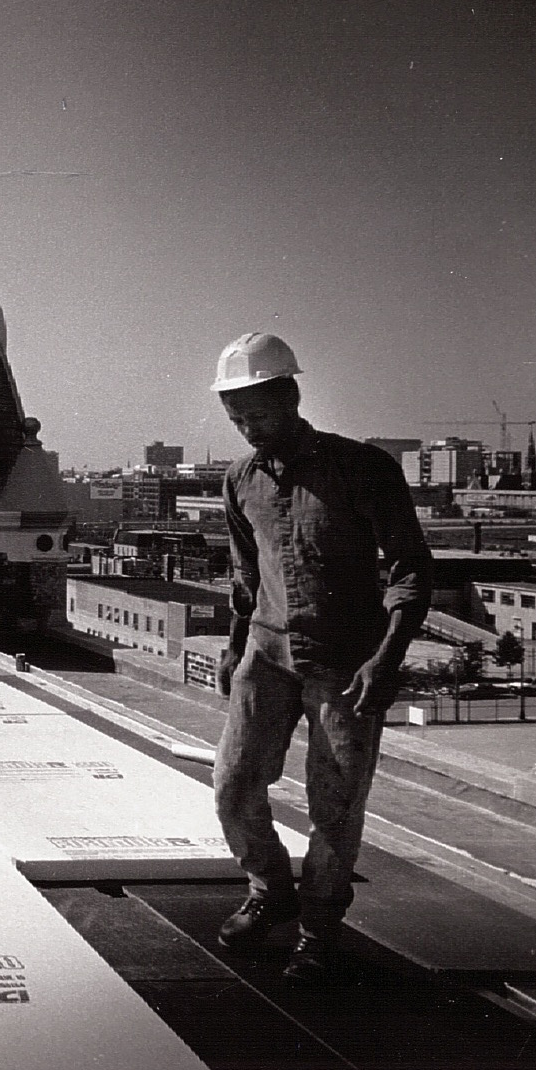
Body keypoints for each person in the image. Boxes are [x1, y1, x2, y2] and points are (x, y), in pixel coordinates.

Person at [209, 333, 431, 984]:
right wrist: (231, 648)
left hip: (346, 666)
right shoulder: (238, 481)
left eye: (258, 415)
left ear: (290, 396)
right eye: (236, 419)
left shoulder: (359, 469)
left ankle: (316, 930)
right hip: (266, 653)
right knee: (231, 788)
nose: (248, 430)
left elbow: (410, 571)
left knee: (332, 807)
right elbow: (245, 577)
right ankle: (267, 890)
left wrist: (384, 661)